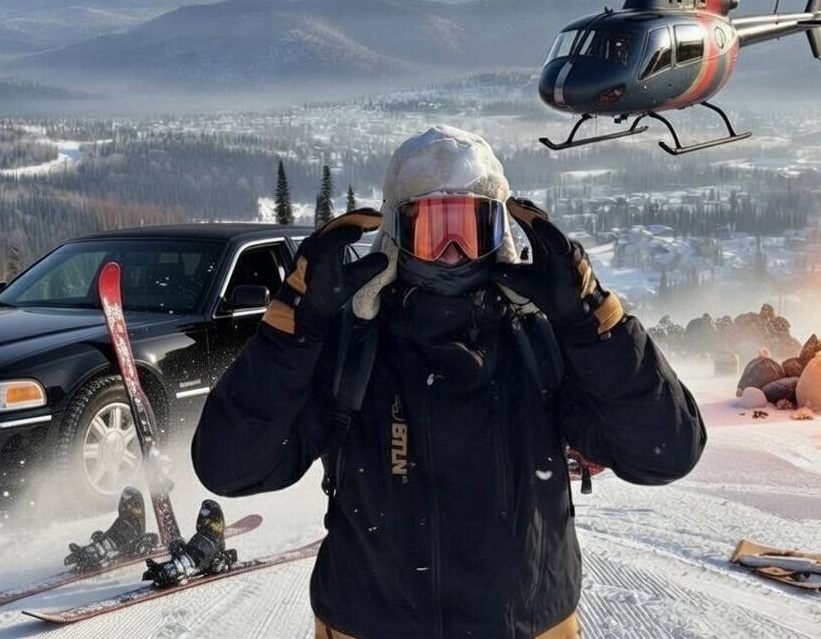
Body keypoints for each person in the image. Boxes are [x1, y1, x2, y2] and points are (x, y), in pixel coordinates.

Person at [192, 126, 706, 638]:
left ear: (500, 233)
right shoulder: (352, 345)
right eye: (431, 231)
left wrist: (595, 325)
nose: (452, 252)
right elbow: (230, 467)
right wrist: (291, 336)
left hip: (526, 627)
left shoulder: (539, 340)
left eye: (471, 228)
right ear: (396, 234)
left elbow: (666, 451)